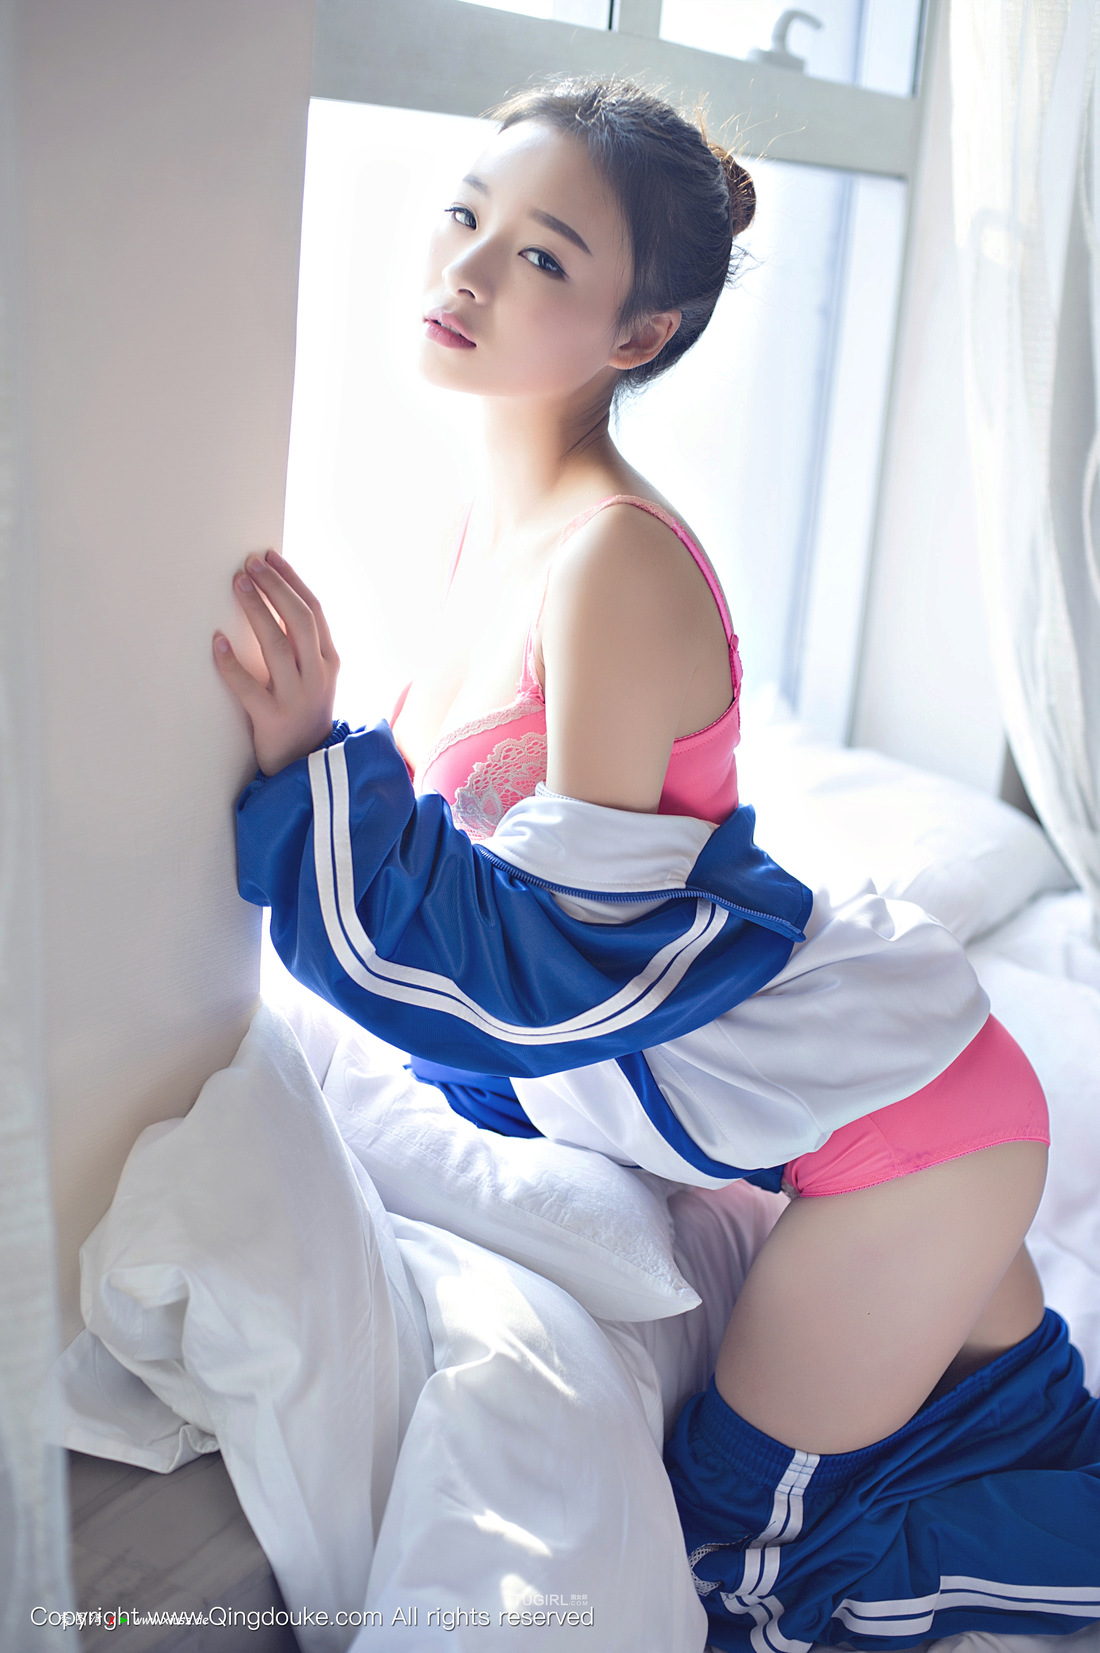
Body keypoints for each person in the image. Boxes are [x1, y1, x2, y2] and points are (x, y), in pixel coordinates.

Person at [213, 75, 1100, 1650]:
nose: (469, 268)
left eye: (543, 256)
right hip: (859, 1091)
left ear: (640, 333)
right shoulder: (486, 529)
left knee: (745, 1567)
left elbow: (568, 961)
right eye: (468, 213)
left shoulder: (613, 560)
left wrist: (314, 784)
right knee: (1004, 1445)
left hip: (913, 1142)